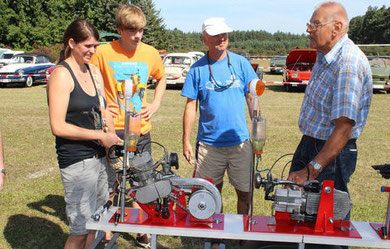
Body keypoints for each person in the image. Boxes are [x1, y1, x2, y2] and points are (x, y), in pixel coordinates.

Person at [90, 4, 167, 248]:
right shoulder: (102, 53)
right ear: (119, 29)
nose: (137, 36)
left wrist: (155, 103)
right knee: (109, 184)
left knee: (143, 183)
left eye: (141, 31)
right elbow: (88, 77)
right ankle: (106, 231)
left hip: (140, 129)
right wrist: (102, 107)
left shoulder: (150, 53)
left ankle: (142, 231)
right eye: (132, 31)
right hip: (112, 131)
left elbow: (161, 77)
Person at [288, 2, 372, 199]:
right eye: (309, 24)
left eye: (315, 24)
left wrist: (311, 170)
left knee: (327, 220)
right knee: (295, 207)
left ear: (336, 28)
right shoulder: (324, 54)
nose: (309, 30)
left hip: (332, 154)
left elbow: (343, 129)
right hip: (310, 144)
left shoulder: (348, 64)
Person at [47, 19, 119, 249]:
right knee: (80, 230)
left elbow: (103, 109)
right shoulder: (61, 74)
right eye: (88, 46)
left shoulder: (94, 70)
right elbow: (58, 126)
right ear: (72, 43)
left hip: (100, 158)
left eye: (95, 46)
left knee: (97, 222)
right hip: (77, 161)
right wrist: (100, 135)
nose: (93, 51)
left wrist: (113, 136)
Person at [182, 17, 257, 217]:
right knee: (210, 194)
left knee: (245, 193)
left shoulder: (241, 64)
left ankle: (244, 235)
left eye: (224, 33)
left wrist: (258, 131)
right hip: (209, 146)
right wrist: (186, 141)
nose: (222, 38)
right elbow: (190, 106)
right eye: (216, 35)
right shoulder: (197, 69)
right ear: (205, 38)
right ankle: (216, 238)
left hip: (240, 143)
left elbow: (252, 96)